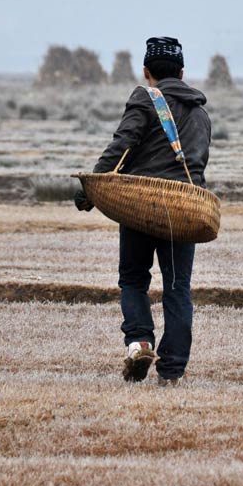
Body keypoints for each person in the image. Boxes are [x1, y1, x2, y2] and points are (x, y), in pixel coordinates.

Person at [75, 37, 211, 385]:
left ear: (147, 71)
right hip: (184, 208)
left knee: (134, 279)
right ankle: (172, 371)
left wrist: (90, 187)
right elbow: (197, 165)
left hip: (141, 204)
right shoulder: (200, 112)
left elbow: (121, 146)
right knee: (178, 287)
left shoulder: (145, 98)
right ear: (182, 73)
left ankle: (139, 342)